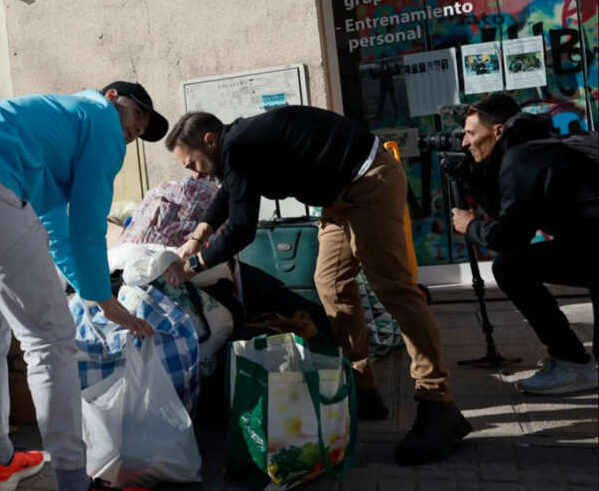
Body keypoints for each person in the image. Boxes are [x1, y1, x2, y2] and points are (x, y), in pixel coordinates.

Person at [162, 107, 470, 466]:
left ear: (209, 141)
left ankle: (438, 403)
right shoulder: (238, 144)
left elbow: (243, 227)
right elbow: (229, 193)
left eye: (192, 163)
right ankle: (361, 385)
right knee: (331, 286)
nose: (194, 173)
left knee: (395, 290)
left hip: (369, 181)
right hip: (340, 198)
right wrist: (197, 237)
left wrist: (194, 266)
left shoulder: (240, 146)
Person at [0, 81, 161, 491]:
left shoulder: (53, 131)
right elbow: (89, 224)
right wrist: (107, 301)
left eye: (147, 125)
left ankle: (0, 458)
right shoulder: (100, 118)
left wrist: (92, 293)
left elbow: (58, 232)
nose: (140, 127)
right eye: (139, 113)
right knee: (50, 337)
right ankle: (74, 480)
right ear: (112, 97)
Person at [450, 94, 598, 394]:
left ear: (498, 131)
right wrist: (475, 176)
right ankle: (572, 362)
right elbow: (510, 208)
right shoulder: (531, 145)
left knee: (510, 265)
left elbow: (510, 236)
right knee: (513, 263)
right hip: (590, 242)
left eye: (470, 134)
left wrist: (470, 226)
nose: (464, 143)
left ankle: (573, 365)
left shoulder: (522, 158)